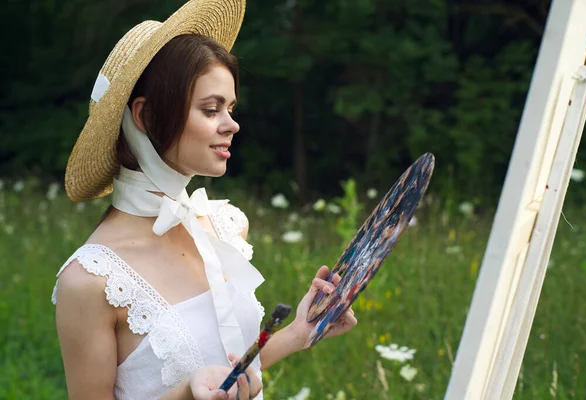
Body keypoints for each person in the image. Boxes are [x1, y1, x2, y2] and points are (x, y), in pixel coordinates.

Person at [51, 1, 357, 400]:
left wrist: (300, 332)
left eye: (230, 108)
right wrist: (185, 395)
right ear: (144, 116)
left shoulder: (225, 227)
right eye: (210, 109)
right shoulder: (90, 281)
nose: (232, 124)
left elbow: (230, 370)